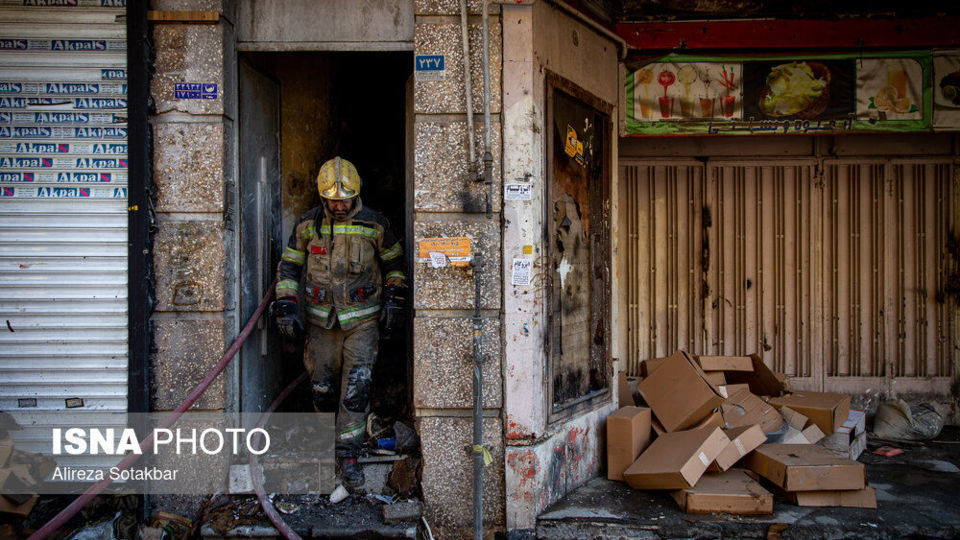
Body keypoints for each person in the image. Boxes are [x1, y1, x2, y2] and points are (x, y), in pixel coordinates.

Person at [273, 156, 407, 489]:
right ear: (323, 198)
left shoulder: (375, 225)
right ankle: (322, 446)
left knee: (356, 390)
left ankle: (349, 455)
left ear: (356, 194)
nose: (339, 206)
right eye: (332, 200)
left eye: (344, 199)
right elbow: (289, 267)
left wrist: (394, 301)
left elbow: (395, 266)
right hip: (320, 322)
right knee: (322, 388)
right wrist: (286, 305)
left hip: (362, 322)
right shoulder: (307, 226)